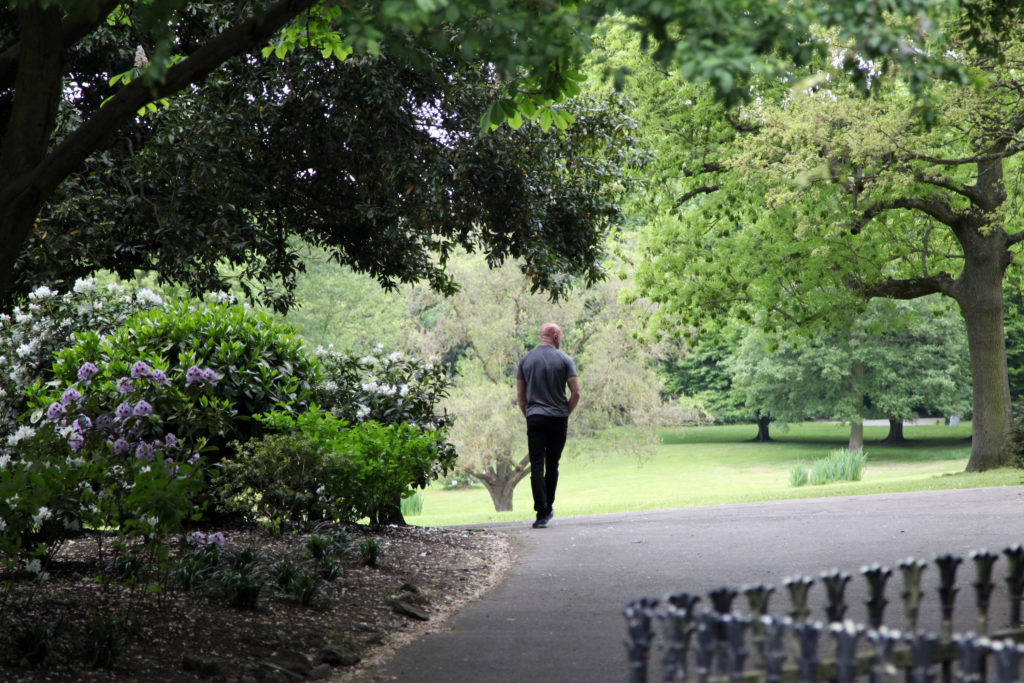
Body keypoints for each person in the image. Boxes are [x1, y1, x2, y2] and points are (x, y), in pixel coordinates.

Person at [516, 322, 581, 529]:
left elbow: (520, 396)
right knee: (552, 464)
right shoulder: (565, 360)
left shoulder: (525, 360)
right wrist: (565, 413)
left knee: (536, 465)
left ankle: (541, 513)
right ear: (554, 335)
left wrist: (530, 415)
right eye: (559, 335)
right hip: (557, 418)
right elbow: (576, 392)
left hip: (534, 417)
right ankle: (548, 506)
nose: (560, 339)